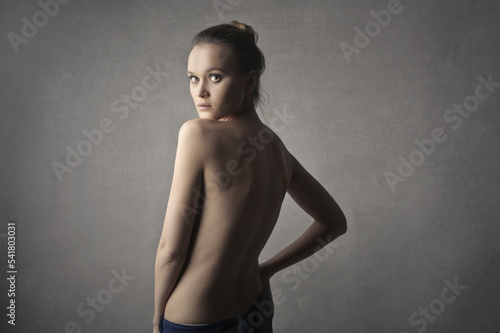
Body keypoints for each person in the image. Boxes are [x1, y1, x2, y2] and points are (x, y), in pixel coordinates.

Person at [153, 20, 347, 333]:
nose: (200, 91)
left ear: (249, 81)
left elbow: (171, 251)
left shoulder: (197, 134)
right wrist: (266, 271)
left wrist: (156, 317)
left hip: (197, 317)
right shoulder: (277, 149)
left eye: (215, 77)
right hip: (255, 307)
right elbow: (334, 223)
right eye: (192, 78)